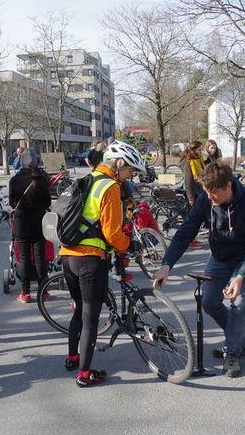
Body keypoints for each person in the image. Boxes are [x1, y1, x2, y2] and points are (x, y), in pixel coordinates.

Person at [153, 162, 245, 378]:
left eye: (214, 192)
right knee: (208, 300)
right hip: (219, 257)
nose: (209, 197)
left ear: (228, 186)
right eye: (206, 192)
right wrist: (166, 265)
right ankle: (239, 339)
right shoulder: (204, 200)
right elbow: (186, 232)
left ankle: (232, 352)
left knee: (239, 302)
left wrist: (240, 276)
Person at [60, 141, 145, 387]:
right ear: (118, 165)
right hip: (90, 260)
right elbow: (112, 234)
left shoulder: (89, 179)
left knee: (78, 310)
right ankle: (85, 375)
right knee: (90, 318)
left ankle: (72, 357)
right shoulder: (109, 188)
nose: (131, 175)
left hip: (68, 255)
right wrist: (129, 245)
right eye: (130, 170)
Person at [8, 148, 51, 303]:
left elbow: (12, 202)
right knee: (41, 258)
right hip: (39, 222)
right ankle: (43, 291)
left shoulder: (14, 180)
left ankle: (25, 292)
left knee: (24, 258)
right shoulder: (42, 179)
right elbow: (48, 202)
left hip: (21, 223)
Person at [181, 141, 205, 205]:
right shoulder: (188, 162)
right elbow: (188, 181)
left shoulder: (199, 159)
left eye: (201, 150)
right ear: (193, 150)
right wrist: (191, 198)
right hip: (195, 193)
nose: (201, 151)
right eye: (199, 150)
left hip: (201, 191)